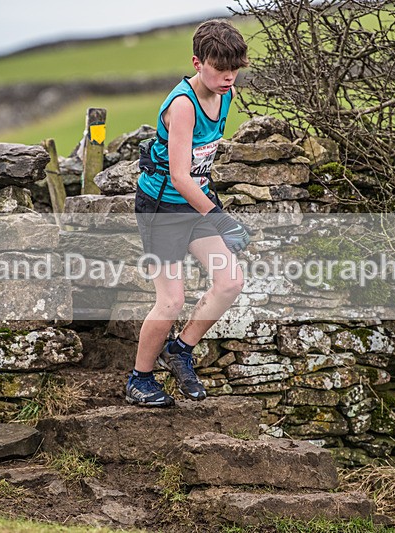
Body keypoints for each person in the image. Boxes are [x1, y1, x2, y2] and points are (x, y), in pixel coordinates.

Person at [126, 19, 251, 407]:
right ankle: (139, 380)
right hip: (162, 207)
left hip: (196, 205)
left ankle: (180, 350)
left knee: (230, 281)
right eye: (220, 68)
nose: (229, 77)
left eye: (235, 69)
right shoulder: (183, 105)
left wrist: (210, 212)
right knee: (171, 301)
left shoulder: (224, 93)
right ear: (198, 62)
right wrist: (221, 219)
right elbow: (180, 177)